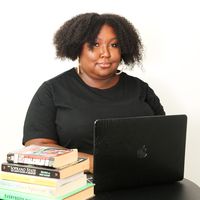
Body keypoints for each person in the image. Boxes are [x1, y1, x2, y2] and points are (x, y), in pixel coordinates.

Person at [23, 13, 165, 173]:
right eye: (95, 45)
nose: (105, 53)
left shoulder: (141, 89)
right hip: (78, 186)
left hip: (142, 179)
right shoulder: (52, 91)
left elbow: (164, 138)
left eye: (114, 45)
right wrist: (94, 164)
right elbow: (37, 147)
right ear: (77, 48)